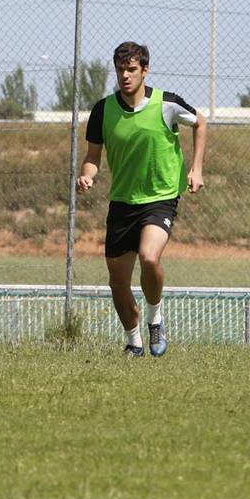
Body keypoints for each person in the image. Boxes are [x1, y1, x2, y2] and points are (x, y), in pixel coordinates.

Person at [76, 41, 206, 356]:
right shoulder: (103, 110)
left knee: (149, 258)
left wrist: (196, 168)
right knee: (117, 282)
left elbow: (200, 122)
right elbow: (93, 156)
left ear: (145, 70)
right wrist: (88, 174)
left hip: (160, 198)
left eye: (131, 69)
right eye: (120, 70)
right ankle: (133, 342)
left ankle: (155, 319)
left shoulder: (167, 104)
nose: (125, 76)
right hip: (122, 202)